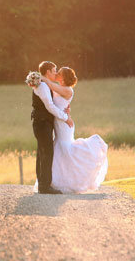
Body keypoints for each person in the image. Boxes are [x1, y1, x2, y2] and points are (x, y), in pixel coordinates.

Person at [39, 67, 108, 193]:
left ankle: (74, 179)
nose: (56, 74)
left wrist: (40, 77)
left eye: (59, 73)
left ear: (64, 77)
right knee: (60, 150)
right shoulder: (60, 88)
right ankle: (52, 182)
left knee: (65, 148)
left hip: (65, 124)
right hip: (61, 120)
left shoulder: (67, 90)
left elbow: (50, 85)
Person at [27, 61, 73, 194]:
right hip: (42, 122)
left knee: (43, 152)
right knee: (47, 152)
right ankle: (45, 186)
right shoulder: (42, 86)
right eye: (54, 71)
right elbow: (50, 106)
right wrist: (65, 117)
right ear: (47, 72)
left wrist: (65, 109)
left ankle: (43, 184)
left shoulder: (45, 85)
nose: (55, 73)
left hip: (44, 122)